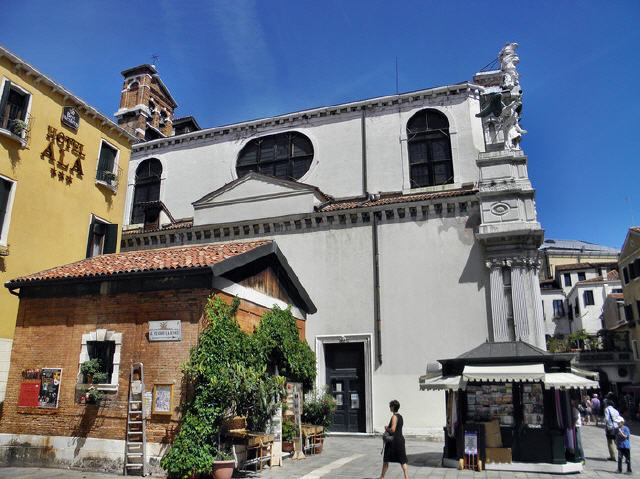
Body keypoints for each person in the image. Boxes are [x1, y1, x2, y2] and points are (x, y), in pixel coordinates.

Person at [380, 399, 409, 479]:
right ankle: (407, 477)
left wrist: (386, 428)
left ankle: (382, 477)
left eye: (390, 406)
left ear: (393, 407)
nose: (389, 407)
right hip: (400, 441)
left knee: (386, 460)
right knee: (403, 461)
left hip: (393, 442)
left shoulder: (394, 416)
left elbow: (393, 430)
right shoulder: (400, 416)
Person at [572, 398, 585, 463]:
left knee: (578, 443)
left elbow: (576, 418)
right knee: (577, 442)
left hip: (576, 427)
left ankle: (582, 458)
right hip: (576, 427)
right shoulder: (574, 409)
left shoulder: (574, 410)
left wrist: (572, 425)